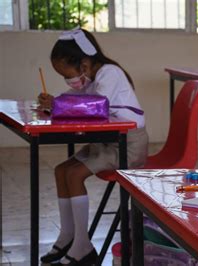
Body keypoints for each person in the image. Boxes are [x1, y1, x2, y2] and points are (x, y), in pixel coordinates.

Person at [38, 28, 149, 265]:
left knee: (75, 174)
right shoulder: (92, 79)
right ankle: (68, 236)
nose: (68, 80)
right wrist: (54, 102)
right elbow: (74, 98)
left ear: (85, 64)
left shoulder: (110, 73)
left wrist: (60, 105)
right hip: (107, 142)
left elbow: (95, 106)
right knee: (61, 170)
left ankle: (82, 246)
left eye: (67, 74)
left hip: (127, 146)